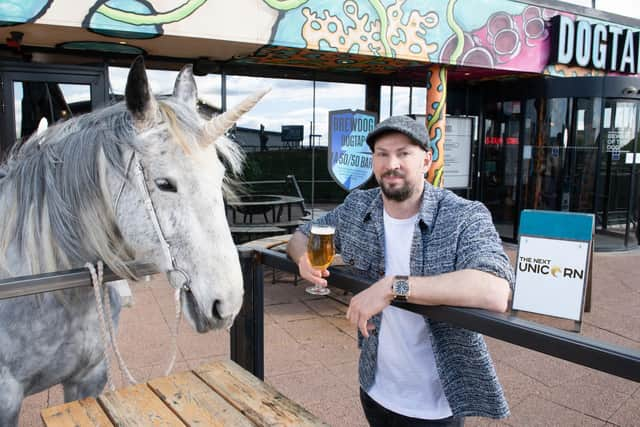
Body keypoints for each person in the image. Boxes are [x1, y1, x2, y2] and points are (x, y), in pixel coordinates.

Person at [287, 115, 514, 426]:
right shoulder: (358, 207)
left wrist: (394, 286)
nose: (391, 163)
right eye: (382, 154)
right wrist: (303, 260)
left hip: (437, 405)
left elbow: (496, 290)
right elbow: (301, 235)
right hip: (375, 389)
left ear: (426, 160)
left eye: (403, 153)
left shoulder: (463, 215)